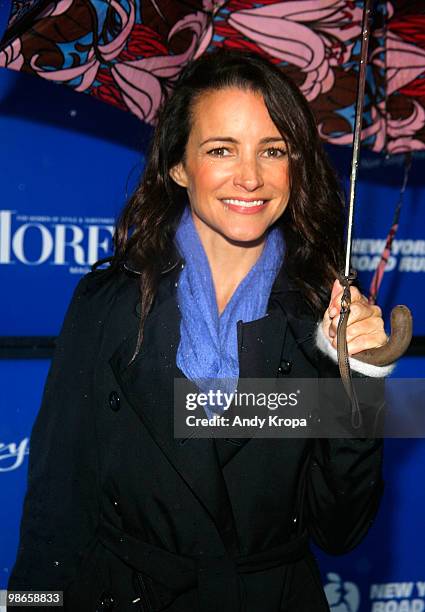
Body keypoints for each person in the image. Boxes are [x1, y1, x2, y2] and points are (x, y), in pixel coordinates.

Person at [9, 50, 392, 612]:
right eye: (221, 150)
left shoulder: (326, 318)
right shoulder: (107, 305)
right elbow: (55, 509)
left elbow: (340, 529)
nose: (250, 177)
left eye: (273, 150)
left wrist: (365, 378)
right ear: (178, 165)